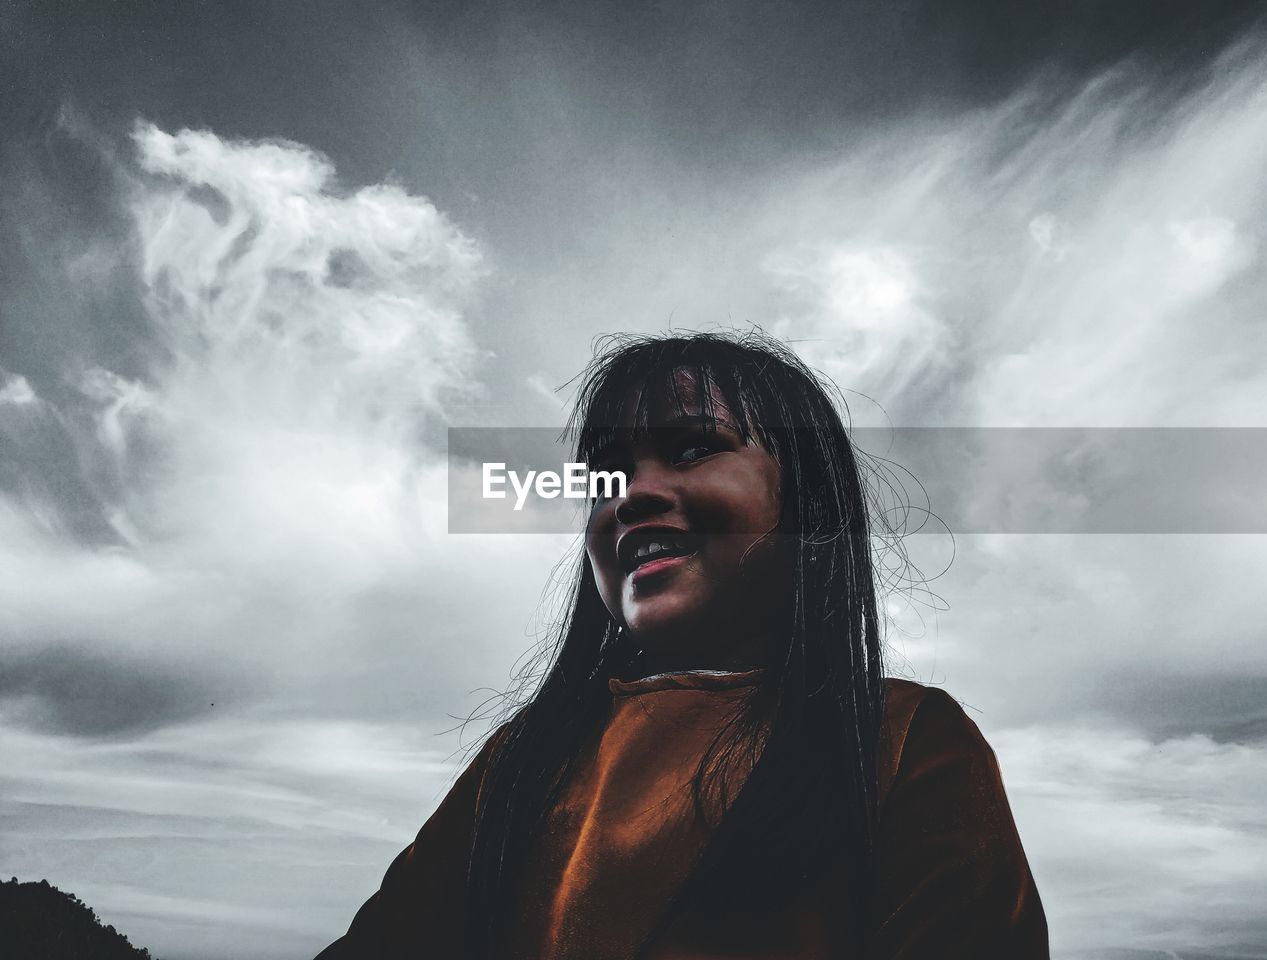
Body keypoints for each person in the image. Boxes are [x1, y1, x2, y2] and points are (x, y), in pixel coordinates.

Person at [314, 331, 1050, 959]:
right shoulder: (522, 760)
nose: (629, 493)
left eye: (694, 447)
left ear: (807, 505)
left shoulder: (899, 741)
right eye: (607, 472)